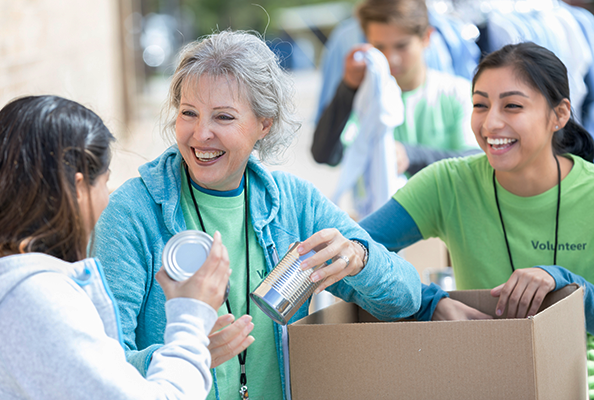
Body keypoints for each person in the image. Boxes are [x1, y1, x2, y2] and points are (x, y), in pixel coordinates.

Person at [92, 30, 421, 400]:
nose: (201, 134)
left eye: (224, 117)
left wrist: (360, 259)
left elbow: (405, 299)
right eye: (189, 113)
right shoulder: (131, 213)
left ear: (264, 124)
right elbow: (98, 362)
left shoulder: (295, 203)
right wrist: (181, 356)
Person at [358, 42, 594, 394]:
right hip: (482, 378)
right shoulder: (448, 183)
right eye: (480, 105)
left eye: (512, 106)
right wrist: (427, 302)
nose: (491, 122)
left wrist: (567, 285)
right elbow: (350, 250)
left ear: (559, 115)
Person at [0, 95, 231, 399]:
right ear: (78, 188)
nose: (107, 197)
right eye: (104, 182)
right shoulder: (39, 301)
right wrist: (191, 316)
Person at [312, 0, 479, 176]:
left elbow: (475, 161)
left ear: (426, 38)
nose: (392, 58)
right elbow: (325, 154)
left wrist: (410, 155)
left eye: (402, 46)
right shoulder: (364, 99)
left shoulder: (458, 93)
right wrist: (348, 89)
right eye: (380, 47)